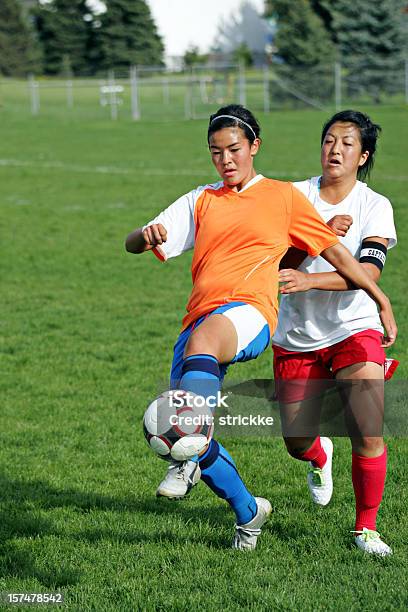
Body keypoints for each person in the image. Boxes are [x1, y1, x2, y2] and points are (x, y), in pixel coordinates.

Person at [125, 104, 397, 550]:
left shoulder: (304, 198)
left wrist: (379, 300)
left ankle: (365, 528)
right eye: (216, 151)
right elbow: (135, 242)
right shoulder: (212, 198)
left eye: (234, 148)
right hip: (262, 329)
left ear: (255, 147)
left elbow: (350, 260)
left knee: (366, 427)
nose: (226, 159)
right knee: (216, 431)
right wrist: (145, 235)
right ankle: (249, 511)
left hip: (298, 318)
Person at [272, 110, 397, 556]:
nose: (335, 149)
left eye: (347, 143)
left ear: (362, 156)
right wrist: (317, 239)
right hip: (298, 334)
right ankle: (319, 455)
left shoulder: (374, 205)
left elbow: (367, 272)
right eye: (329, 140)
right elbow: (275, 268)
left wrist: (311, 279)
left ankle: (366, 528)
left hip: (354, 327)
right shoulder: (291, 197)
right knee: (296, 440)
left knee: (368, 427)